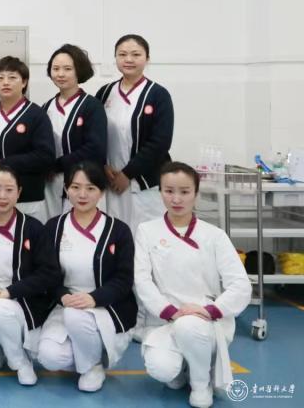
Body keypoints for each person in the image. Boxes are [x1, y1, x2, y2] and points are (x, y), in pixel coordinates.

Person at [135, 162, 250, 408]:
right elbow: (142, 280)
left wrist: (210, 310)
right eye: (169, 191)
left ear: (196, 194)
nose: (176, 199)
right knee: (162, 370)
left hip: (205, 321)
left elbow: (241, 285)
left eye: (185, 192)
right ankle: (182, 368)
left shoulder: (214, 235)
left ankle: (200, 384)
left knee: (188, 326)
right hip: (165, 319)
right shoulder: (146, 231)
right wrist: (170, 311)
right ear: (160, 192)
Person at [38, 162, 136, 393]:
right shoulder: (54, 227)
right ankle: (90, 353)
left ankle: (92, 366)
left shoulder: (118, 230)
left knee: (75, 315)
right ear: (66, 189)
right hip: (66, 304)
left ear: (101, 192)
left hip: (107, 305)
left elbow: (124, 279)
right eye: (75, 187)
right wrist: (63, 296)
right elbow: (47, 274)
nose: (82, 194)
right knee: (49, 357)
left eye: (90, 188)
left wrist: (94, 298)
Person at [0, 166, 59, 386]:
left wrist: (9, 292)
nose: (3, 196)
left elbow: (49, 273)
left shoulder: (33, 228)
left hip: (21, 300)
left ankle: (19, 361)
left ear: (19, 192)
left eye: (9, 190)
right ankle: (1, 346)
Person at [96, 34, 174, 231]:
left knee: (146, 236)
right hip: (111, 181)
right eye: (122, 54)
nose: (128, 59)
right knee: (116, 235)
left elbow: (160, 142)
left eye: (136, 54)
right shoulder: (105, 93)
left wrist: (127, 173)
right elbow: (95, 135)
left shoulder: (158, 94)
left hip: (144, 183)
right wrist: (103, 166)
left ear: (147, 59)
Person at [0, 56, 54, 223]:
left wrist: (4, 163)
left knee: (25, 237)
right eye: (0, 78)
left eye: (12, 77)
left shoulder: (36, 115)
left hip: (26, 197)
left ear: (24, 82)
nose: (5, 82)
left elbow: (45, 156)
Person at [41, 44, 107, 217]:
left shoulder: (92, 106)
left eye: (67, 69)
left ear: (79, 70)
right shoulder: (46, 108)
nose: (60, 74)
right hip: (51, 184)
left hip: (82, 183)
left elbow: (95, 148)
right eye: (56, 69)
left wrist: (57, 165)